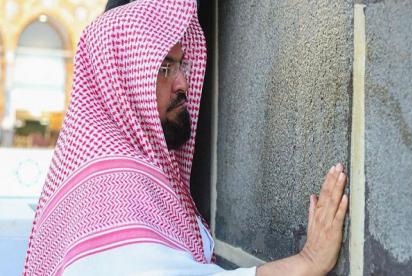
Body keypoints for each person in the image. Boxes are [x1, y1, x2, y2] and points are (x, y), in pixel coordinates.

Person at [23, 0, 348, 275]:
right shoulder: (110, 188)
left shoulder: (108, 175)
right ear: (121, 77)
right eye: (164, 67)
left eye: (181, 65)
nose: (182, 84)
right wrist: (307, 262)